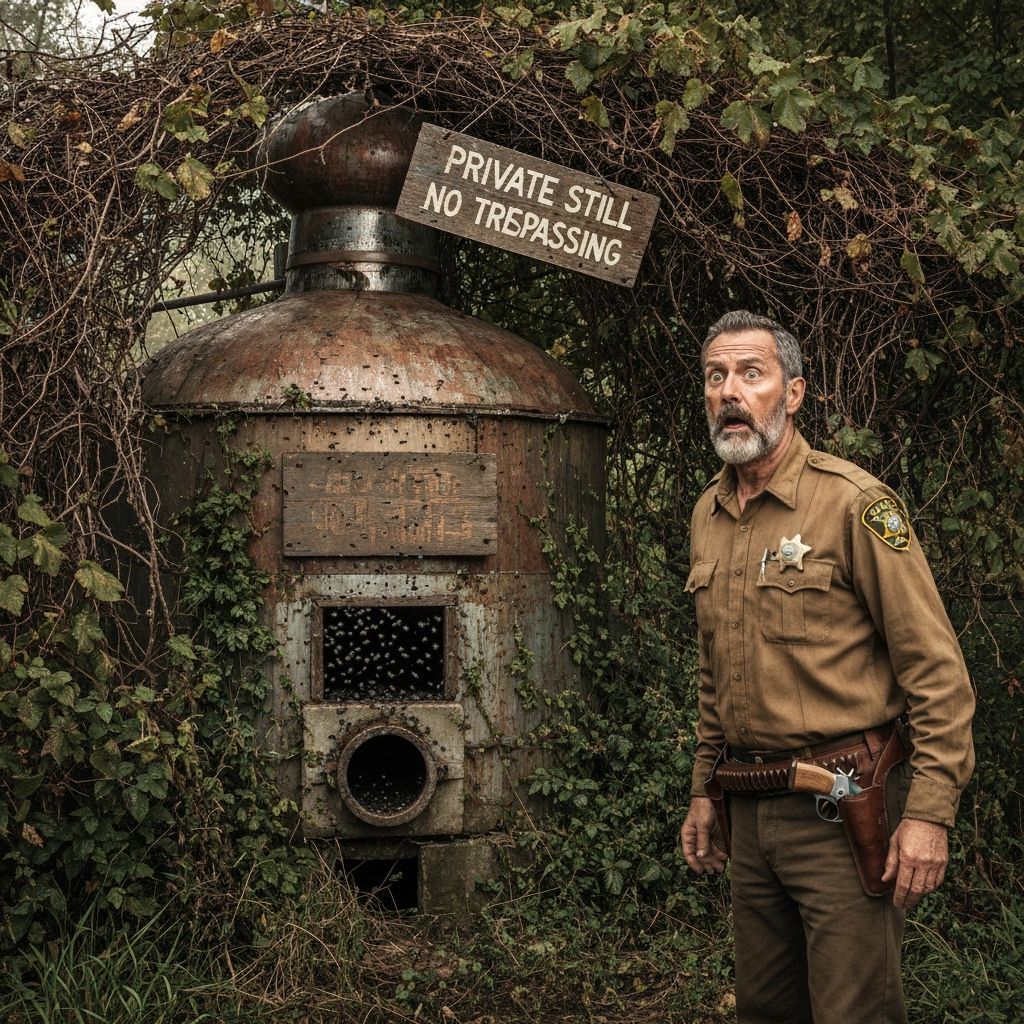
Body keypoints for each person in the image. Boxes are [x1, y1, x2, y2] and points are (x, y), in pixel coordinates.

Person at [679, 311, 975, 1024]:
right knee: (764, 1009)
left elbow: (937, 674)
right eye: (716, 376)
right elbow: (716, 673)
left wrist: (929, 813)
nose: (729, 391)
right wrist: (703, 789)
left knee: (853, 1011)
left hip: (844, 808)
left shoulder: (854, 505)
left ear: (794, 392)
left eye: (751, 373)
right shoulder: (709, 514)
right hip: (749, 810)